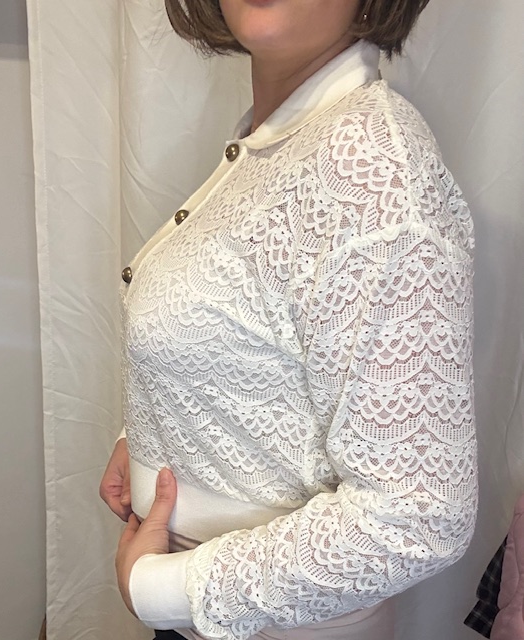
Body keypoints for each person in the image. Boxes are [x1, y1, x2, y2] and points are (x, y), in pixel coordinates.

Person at [100, 1, 477, 639]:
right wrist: (147, 435)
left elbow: (418, 515)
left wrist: (157, 590)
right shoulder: (283, 142)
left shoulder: (371, 165)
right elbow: (256, 345)